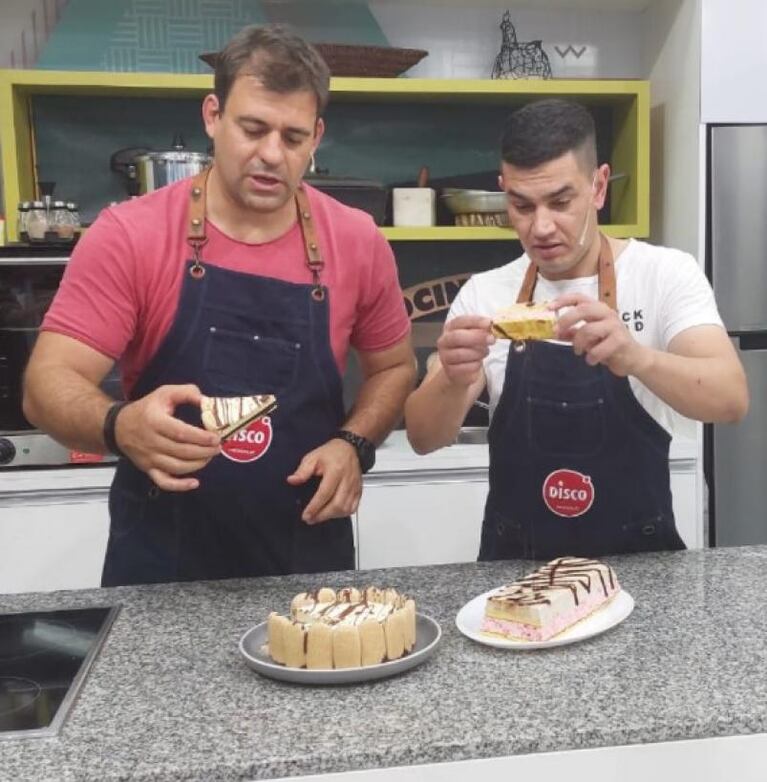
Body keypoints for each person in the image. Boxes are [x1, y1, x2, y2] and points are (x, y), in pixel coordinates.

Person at [23, 24, 416, 586]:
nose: (271, 155)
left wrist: (354, 443)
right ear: (213, 115)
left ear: (317, 136)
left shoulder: (356, 240)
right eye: (252, 129)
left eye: (293, 137)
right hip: (161, 566)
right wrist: (118, 425)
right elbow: (46, 385)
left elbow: (395, 367)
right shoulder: (129, 234)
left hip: (305, 565)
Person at [405, 98, 748, 560]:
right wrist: (452, 376)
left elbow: (731, 399)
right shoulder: (485, 294)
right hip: (516, 569)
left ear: (598, 186)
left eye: (561, 202)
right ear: (503, 189)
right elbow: (423, 438)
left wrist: (636, 358)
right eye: (521, 205)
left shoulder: (665, 274)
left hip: (639, 564)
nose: (541, 227)